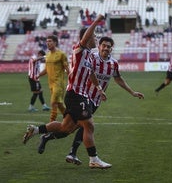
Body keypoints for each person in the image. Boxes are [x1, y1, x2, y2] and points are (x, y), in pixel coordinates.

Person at [38, 36, 145, 165]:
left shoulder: (113, 63)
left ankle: (47, 137)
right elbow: (80, 68)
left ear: (111, 49)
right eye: (104, 45)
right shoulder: (90, 57)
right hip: (83, 97)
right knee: (83, 126)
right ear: (99, 46)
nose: (106, 48)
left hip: (96, 100)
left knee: (70, 128)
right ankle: (75, 154)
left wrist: (132, 92)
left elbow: (118, 79)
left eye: (109, 46)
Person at [23, 14, 112, 169]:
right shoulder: (79, 49)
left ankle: (36, 130)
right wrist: (96, 21)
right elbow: (85, 40)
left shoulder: (90, 56)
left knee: (66, 127)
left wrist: (98, 89)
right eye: (95, 36)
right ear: (88, 37)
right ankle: (93, 159)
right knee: (89, 125)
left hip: (78, 95)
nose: (97, 39)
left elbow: (91, 74)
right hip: (76, 95)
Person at [38, 35, 69, 122]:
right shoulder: (47, 56)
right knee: (59, 104)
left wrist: (72, 80)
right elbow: (46, 70)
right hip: (51, 84)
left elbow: (68, 69)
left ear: (55, 42)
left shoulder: (61, 54)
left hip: (59, 84)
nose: (48, 43)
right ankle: (70, 119)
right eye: (47, 41)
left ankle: (51, 124)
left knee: (53, 102)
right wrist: (38, 75)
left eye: (50, 41)